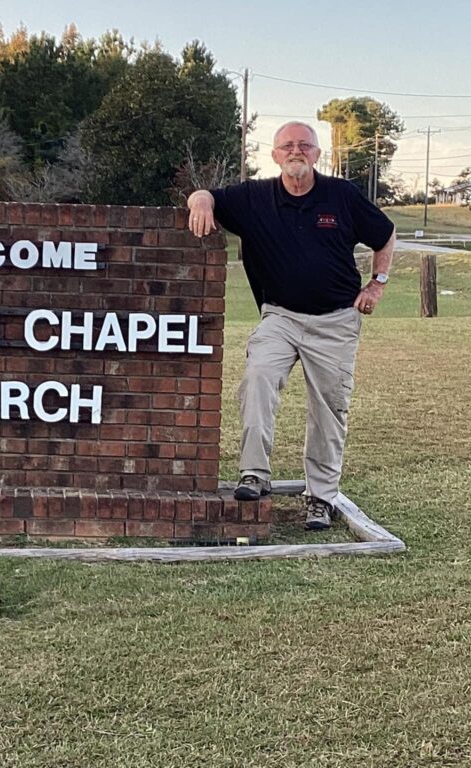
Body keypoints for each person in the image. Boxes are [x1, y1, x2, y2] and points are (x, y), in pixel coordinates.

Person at [187, 121, 395, 530]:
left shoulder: (342, 196)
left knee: (328, 409)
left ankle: (320, 498)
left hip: (336, 321)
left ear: (317, 154)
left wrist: (376, 284)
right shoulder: (255, 198)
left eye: (305, 145)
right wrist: (200, 200)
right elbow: (205, 193)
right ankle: (254, 474)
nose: (296, 151)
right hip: (280, 316)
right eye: (288, 146)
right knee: (257, 377)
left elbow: (384, 236)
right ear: (275, 155)